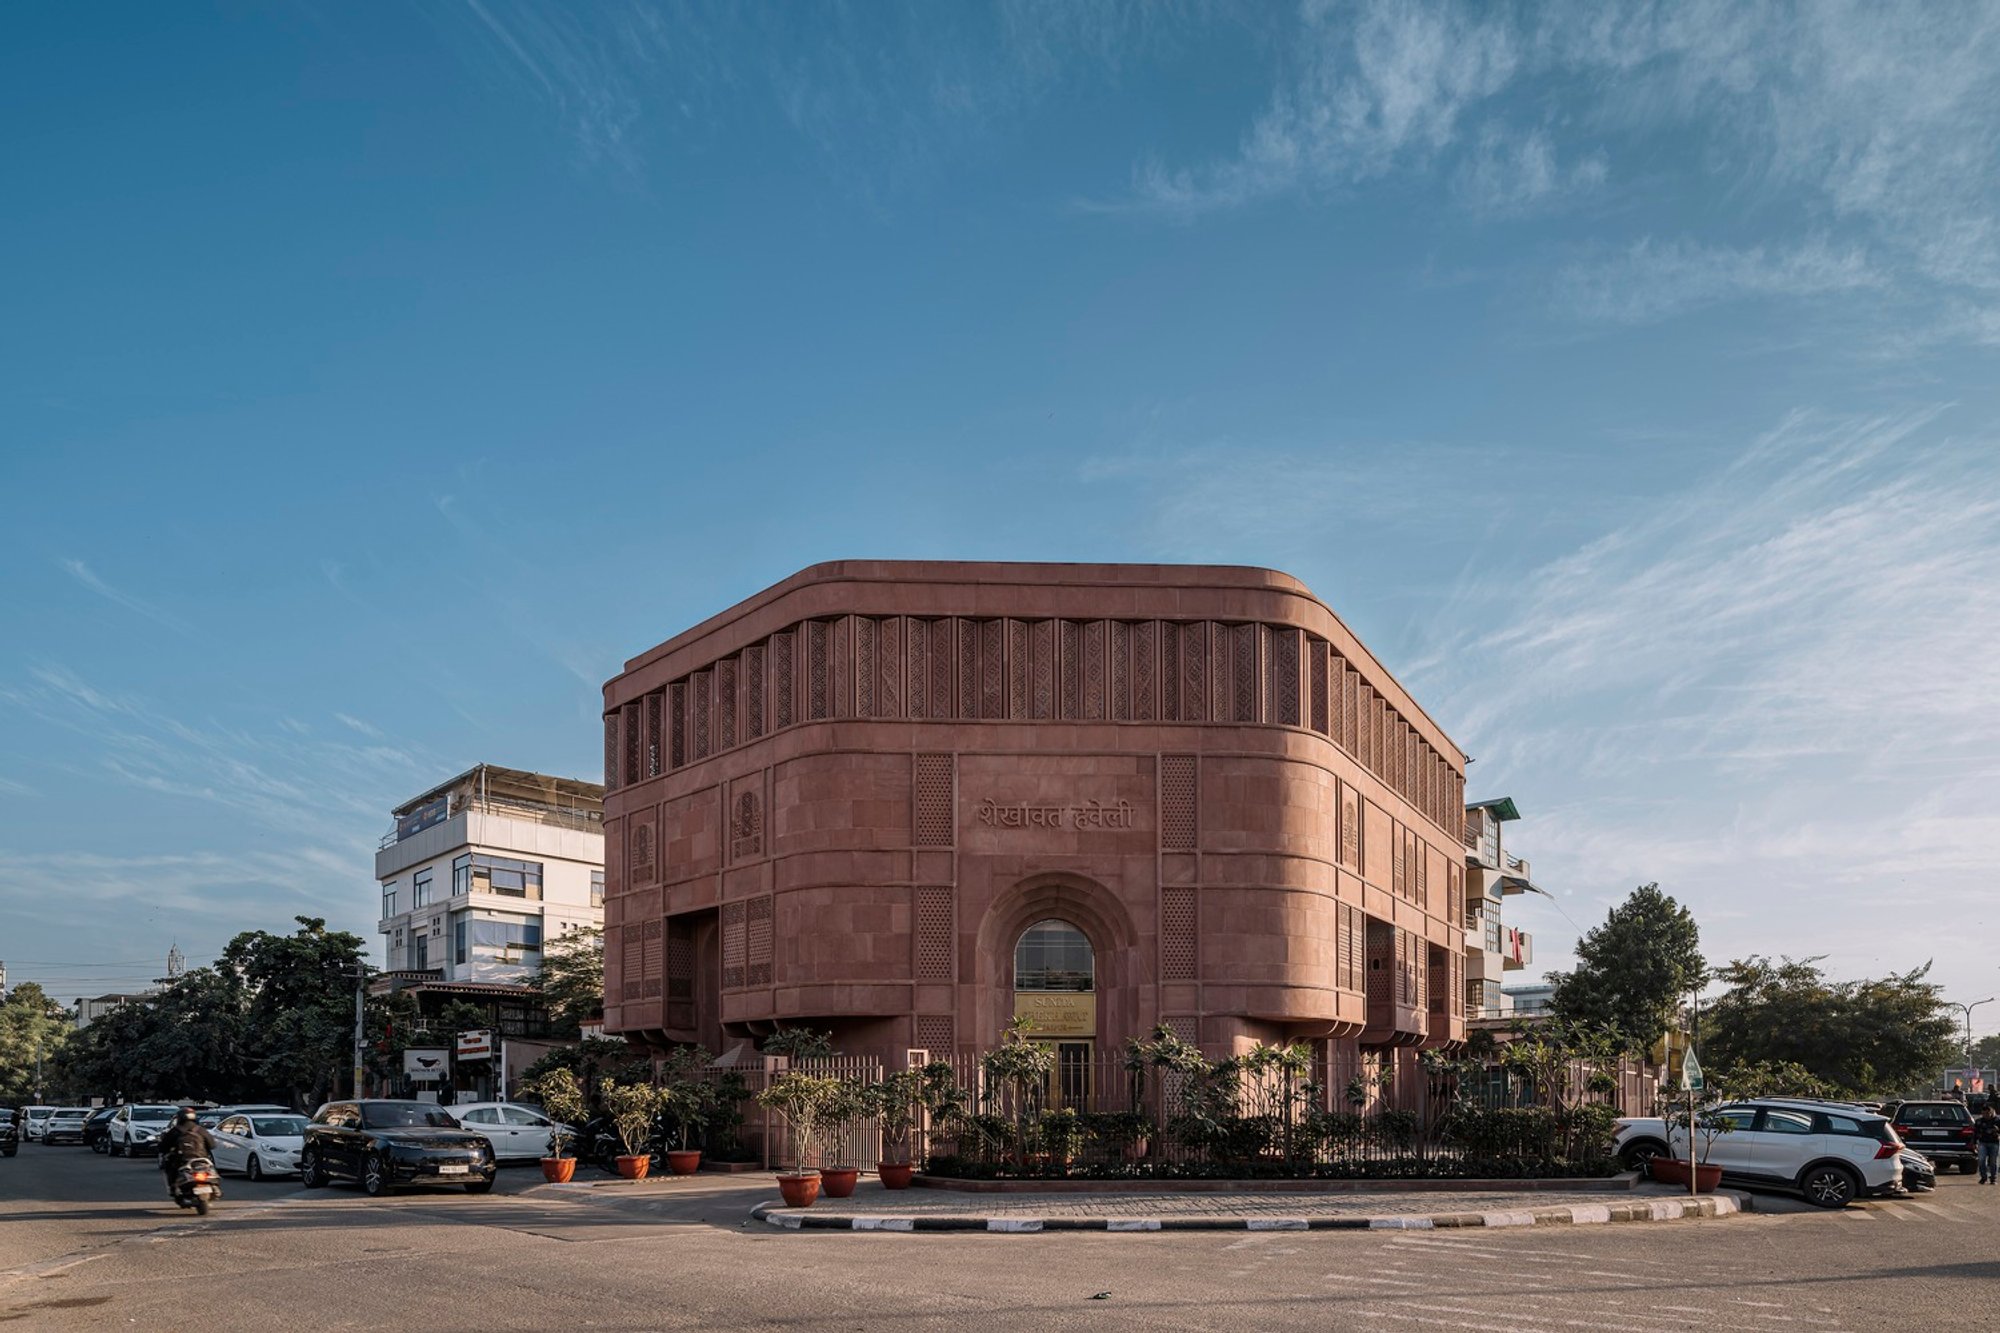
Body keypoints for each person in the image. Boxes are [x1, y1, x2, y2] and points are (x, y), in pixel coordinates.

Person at [157, 1108, 215, 1199]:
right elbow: (212, 1145)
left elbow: (163, 1147)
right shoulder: (201, 1130)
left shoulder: (175, 1131)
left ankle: (173, 1187)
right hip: (201, 1159)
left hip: (181, 1160)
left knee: (169, 1166)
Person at [1974, 1104, 2000, 1186]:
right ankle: (1983, 1177)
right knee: (1981, 1160)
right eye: (1983, 1113)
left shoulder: (1997, 1121)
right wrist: (1974, 1143)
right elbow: (1975, 1133)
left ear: (1991, 1113)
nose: (1985, 1115)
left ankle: (1993, 1178)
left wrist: (1997, 1131)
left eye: (1987, 1113)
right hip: (1982, 1142)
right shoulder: (1979, 1121)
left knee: (1993, 1162)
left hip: (1994, 1143)